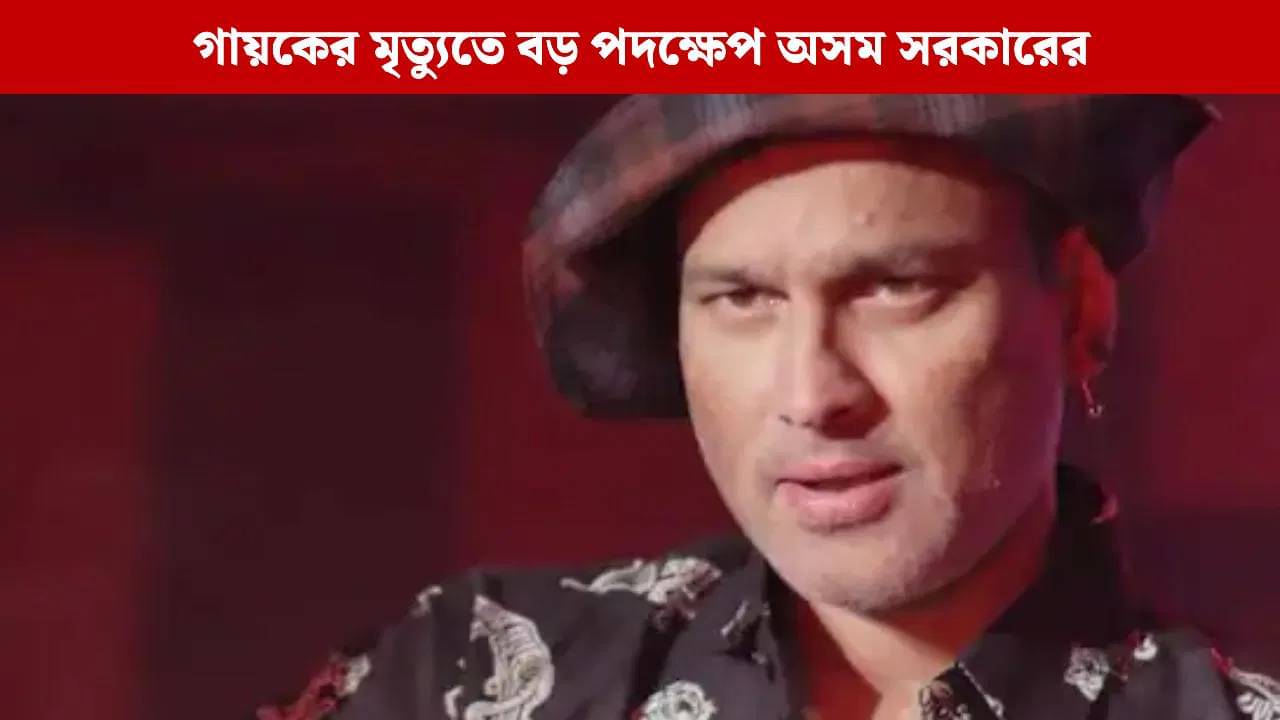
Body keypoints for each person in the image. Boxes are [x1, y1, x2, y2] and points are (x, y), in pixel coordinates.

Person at [259, 94, 1279, 720]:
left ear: (1080, 308)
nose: (811, 394)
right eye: (741, 300)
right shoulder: (461, 675)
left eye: (895, 287)